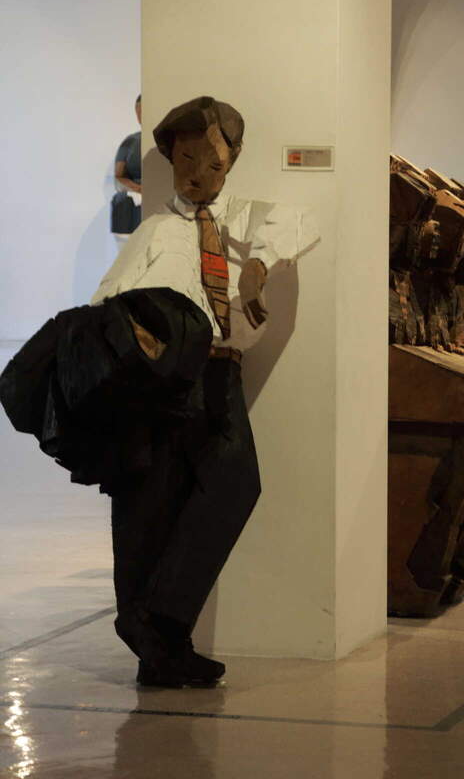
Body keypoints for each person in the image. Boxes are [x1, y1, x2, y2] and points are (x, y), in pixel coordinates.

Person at [0, 96, 319, 689]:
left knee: (233, 483)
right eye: (186, 161)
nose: (198, 175)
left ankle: (156, 621)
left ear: (234, 161)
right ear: (170, 159)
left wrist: (259, 266)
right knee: (149, 502)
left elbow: (301, 221)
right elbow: (105, 304)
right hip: (162, 382)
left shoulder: (249, 220)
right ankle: (161, 648)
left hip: (220, 373)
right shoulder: (154, 230)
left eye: (214, 163)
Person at [111, 94, 142, 246]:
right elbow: (119, 177)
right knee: (122, 202)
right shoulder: (130, 142)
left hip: (163, 195)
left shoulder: (169, 140)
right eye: (138, 112)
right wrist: (138, 188)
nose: (141, 116)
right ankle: (126, 251)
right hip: (137, 194)